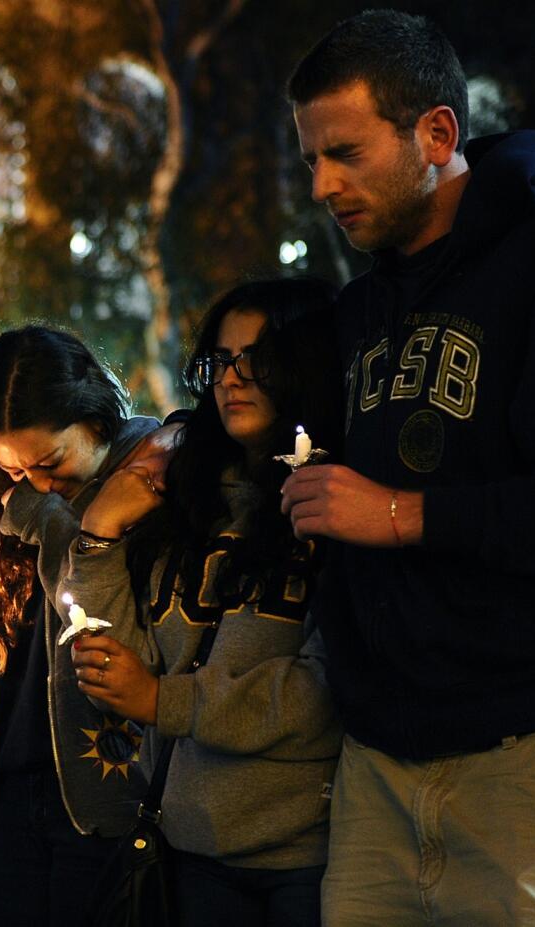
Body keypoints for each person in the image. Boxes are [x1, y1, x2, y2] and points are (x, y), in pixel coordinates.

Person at [284, 10, 535, 924]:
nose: (322, 184)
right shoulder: (363, 308)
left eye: (346, 153)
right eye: (312, 159)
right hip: (380, 767)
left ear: (436, 133)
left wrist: (399, 514)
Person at [64, 279, 343, 926]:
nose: (232, 378)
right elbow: (128, 658)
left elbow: (323, 688)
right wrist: (100, 531)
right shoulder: (182, 498)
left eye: (259, 358)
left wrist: (166, 702)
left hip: (305, 851)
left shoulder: (334, 499)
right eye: (221, 359)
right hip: (187, 846)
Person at [0, 326, 172, 927]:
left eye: (49, 461)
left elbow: (104, 625)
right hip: (14, 785)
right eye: (14, 469)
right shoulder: (12, 501)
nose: (38, 482)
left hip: (109, 790)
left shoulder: (150, 479)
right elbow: (32, 654)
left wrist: (48, 519)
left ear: (96, 418)